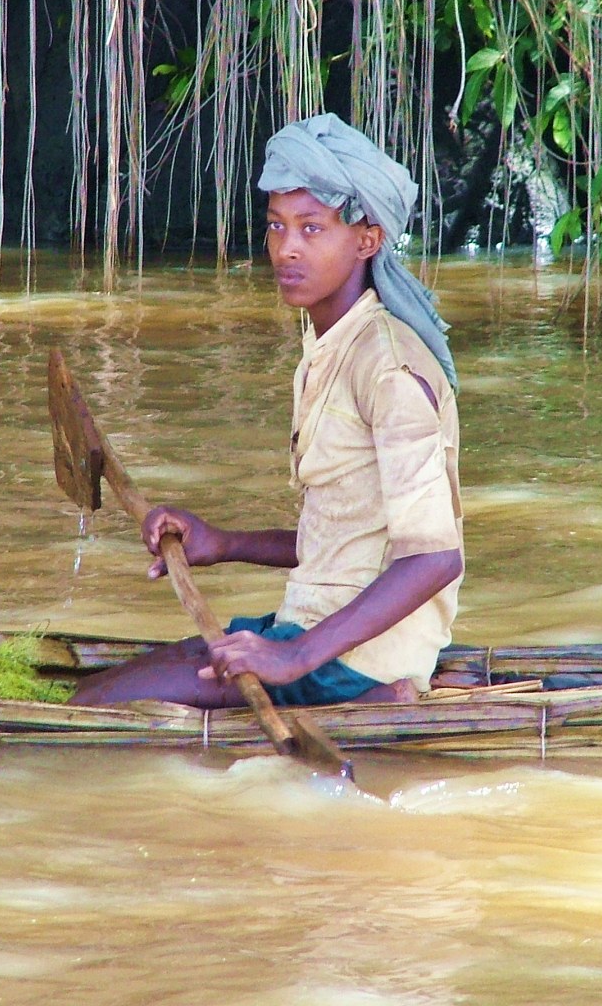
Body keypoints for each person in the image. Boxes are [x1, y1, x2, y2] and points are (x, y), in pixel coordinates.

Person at [70, 114, 463, 709]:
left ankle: (377, 698)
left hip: (352, 659)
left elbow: (435, 557)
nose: (286, 250)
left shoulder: (388, 370)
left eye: (311, 228)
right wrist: (221, 542)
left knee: (91, 710)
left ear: (367, 240)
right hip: (314, 625)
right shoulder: (331, 345)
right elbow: (340, 540)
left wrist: (293, 657)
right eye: (277, 227)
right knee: (100, 685)